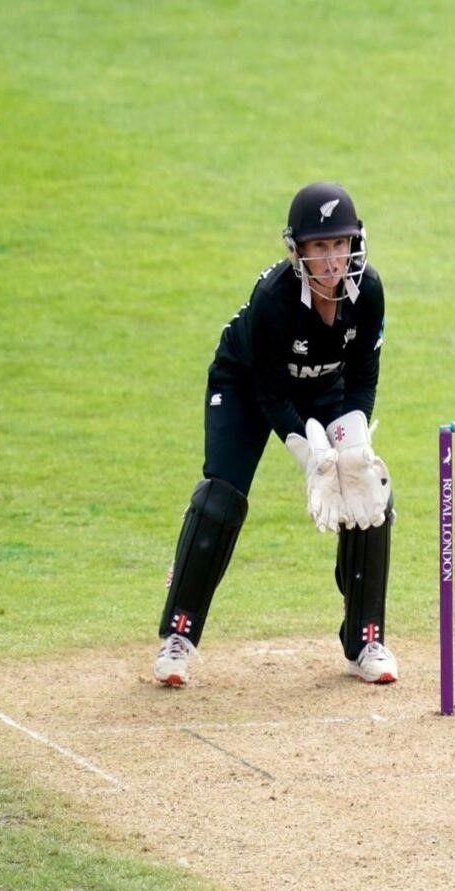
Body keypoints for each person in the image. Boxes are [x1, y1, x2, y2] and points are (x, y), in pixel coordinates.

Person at [152, 182, 397, 688]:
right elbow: (270, 398)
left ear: (356, 242)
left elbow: (364, 379)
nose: (332, 260)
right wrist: (311, 457)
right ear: (298, 251)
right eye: (320, 247)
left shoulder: (368, 290)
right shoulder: (272, 301)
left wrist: (351, 444)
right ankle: (178, 637)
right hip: (247, 384)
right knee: (220, 499)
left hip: (324, 387)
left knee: (368, 491)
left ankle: (365, 639)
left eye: (341, 244)